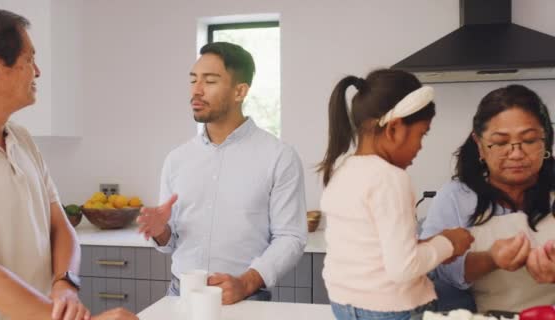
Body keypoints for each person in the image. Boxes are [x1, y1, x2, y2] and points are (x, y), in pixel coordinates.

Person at [0, 6, 137, 320]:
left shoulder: (21, 139)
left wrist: (65, 283)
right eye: (28, 59)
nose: (37, 72)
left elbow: (60, 226)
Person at [136, 42, 307, 305]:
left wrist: (246, 282)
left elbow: (291, 237)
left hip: (244, 298)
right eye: (193, 80)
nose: (196, 90)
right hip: (180, 296)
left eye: (210, 81)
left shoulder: (279, 156)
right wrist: (161, 231)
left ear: (240, 91)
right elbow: (171, 242)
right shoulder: (177, 159)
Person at [317, 69, 474, 320]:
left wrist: (431, 245)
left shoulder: (342, 170)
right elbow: (403, 269)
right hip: (390, 310)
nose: (421, 146)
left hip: (344, 305)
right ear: (394, 129)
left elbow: (372, 253)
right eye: (421, 134)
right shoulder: (390, 178)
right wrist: (449, 243)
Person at [421, 84, 555, 313]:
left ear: (546, 141)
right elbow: (433, 268)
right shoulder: (456, 196)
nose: (516, 153)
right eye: (501, 142)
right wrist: (491, 259)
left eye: (530, 140)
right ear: (480, 145)